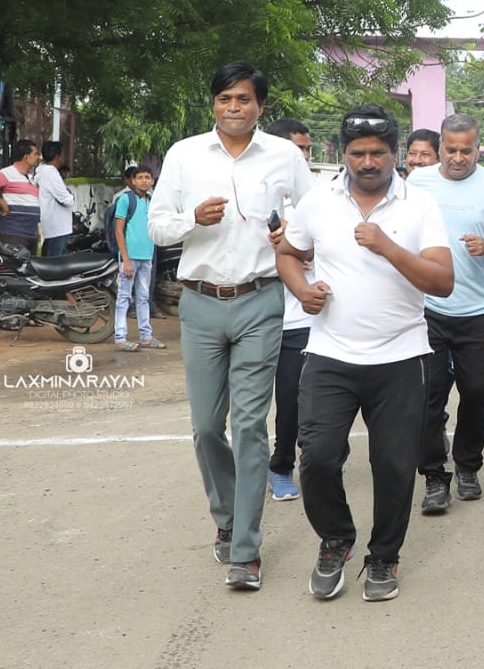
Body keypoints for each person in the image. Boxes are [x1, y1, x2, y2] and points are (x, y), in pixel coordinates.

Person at [148, 61, 315, 591]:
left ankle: (245, 548)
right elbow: (156, 227)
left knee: (248, 424)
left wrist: (292, 233)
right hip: (199, 303)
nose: (234, 107)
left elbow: (314, 220)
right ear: (213, 104)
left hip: (261, 300)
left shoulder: (285, 156)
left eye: (244, 99)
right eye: (225, 99)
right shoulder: (184, 154)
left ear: (260, 105)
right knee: (205, 428)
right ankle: (225, 517)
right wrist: (191, 219)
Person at [277, 105, 454, 602]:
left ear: (395, 154)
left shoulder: (420, 206)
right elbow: (289, 253)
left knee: (395, 465)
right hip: (331, 355)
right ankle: (335, 540)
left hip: (402, 357)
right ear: (344, 154)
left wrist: (389, 248)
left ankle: (384, 558)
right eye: (358, 153)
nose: (368, 162)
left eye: (378, 152)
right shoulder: (318, 202)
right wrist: (302, 289)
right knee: (317, 457)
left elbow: (442, 281)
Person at [409, 113, 484, 511]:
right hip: (428, 308)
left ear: (478, 148)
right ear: (439, 147)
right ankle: (434, 476)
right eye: (450, 149)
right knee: (429, 396)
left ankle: (468, 466)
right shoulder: (418, 183)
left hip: (476, 310)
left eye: (466, 150)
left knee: (475, 392)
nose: (458, 158)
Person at [264, 118, 314, 503]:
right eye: (297, 149)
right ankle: (252, 467)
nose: (304, 157)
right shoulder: (251, 195)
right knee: (248, 407)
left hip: (297, 320)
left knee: (294, 399)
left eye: (307, 149)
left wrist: (303, 251)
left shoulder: (315, 200)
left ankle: (281, 465)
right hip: (254, 315)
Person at [113, 165, 163, 351]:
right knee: (124, 297)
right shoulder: (126, 200)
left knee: (143, 297)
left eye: (147, 177)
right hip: (130, 257)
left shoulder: (152, 201)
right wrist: (125, 259)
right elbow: (118, 229)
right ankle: (120, 338)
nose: (143, 180)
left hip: (147, 256)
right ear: (132, 181)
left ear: (152, 181)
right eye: (139, 177)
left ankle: (146, 336)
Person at [0, 139, 41, 253]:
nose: (38, 157)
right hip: (14, 233)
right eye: (35, 154)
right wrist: (3, 204)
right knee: (15, 268)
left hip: (31, 233)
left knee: (30, 268)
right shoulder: (7, 173)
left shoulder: (32, 178)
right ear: (26, 157)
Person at [36, 141, 75, 257]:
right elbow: (67, 200)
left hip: (52, 227)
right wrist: (71, 196)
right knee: (55, 266)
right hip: (58, 229)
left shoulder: (42, 172)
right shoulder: (51, 173)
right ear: (58, 157)